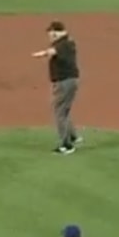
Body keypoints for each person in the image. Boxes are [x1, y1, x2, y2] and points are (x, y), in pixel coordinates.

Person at [32, 20, 80, 153]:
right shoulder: (68, 41)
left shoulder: (63, 43)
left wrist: (41, 54)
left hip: (64, 82)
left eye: (52, 33)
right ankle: (73, 136)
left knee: (59, 112)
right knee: (64, 110)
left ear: (58, 32)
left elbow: (53, 52)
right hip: (70, 81)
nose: (50, 35)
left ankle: (67, 145)